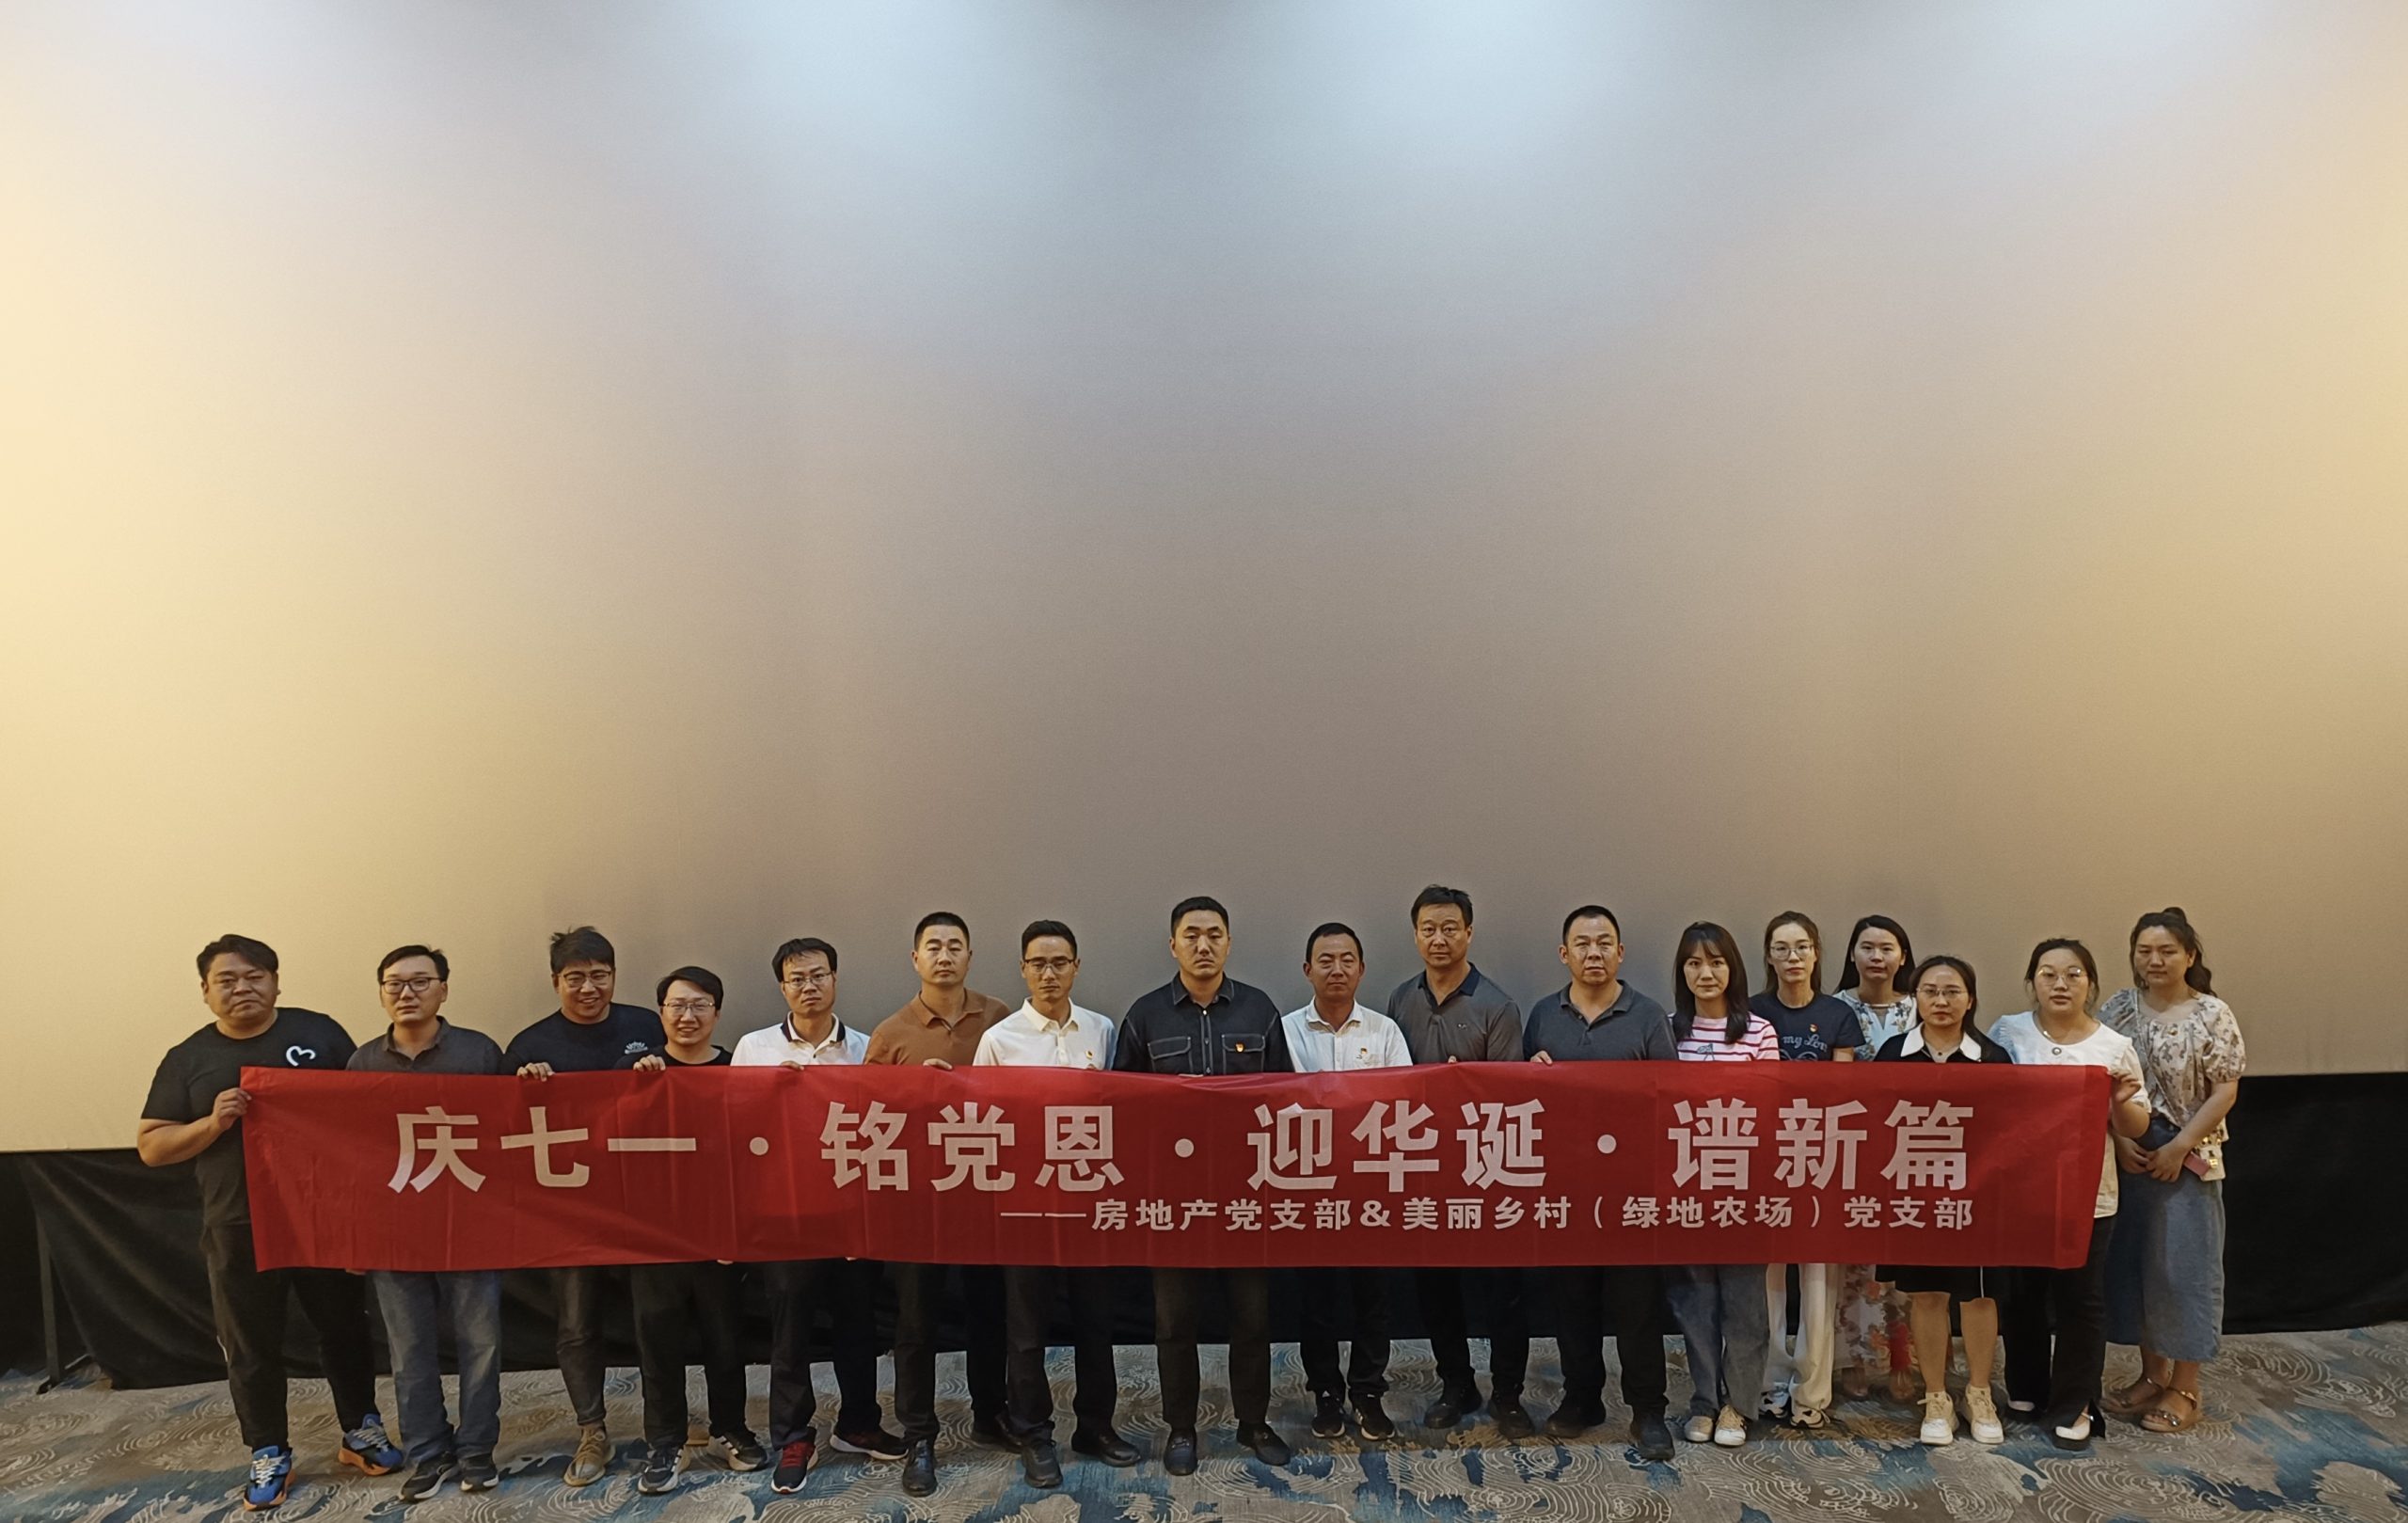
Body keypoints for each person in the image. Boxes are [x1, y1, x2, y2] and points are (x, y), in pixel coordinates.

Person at [138, 934, 404, 1513]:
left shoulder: (319, 1034)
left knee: (345, 1328)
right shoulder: (188, 1058)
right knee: (251, 1342)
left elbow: (365, 1117)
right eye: (227, 980)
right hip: (239, 1223)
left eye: (255, 976)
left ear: (276, 982)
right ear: (205, 991)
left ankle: (360, 1428)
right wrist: (212, 1124)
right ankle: (268, 1449)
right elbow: (152, 1146)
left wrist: (362, 1216)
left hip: (321, 1217)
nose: (243, 988)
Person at [1114, 896, 1296, 1473]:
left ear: (1229, 943)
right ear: (1173, 945)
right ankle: (1181, 1428)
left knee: (1252, 1318)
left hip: (1245, 1194)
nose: (1203, 944)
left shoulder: (1259, 1010)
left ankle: (1253, 1422)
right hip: (1173, 1199)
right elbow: (1121, 1108)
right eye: (1191, 935)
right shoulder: (1145, 1015)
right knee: (1175, 1322)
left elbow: (1286, 1099)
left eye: (1214, 934)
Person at [971, 921, 1143, 1486]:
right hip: (1026, 1205)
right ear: (1023, 970)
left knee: (1096, 1324)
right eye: (1038, 964)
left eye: (1060, 963)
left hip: (1091, 1204)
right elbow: (982, 1123)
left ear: (1076, 967)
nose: (1049, 973)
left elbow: (1121, 1111)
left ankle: (1095, 1426)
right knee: (1026, 1332)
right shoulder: (1001, 1039)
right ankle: (1033, 1433)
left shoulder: (1102, 1029)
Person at [730, 936, 901, 1492]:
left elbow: (883, 1127)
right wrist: (769, 1094)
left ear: (835, 979)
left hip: (849, 1209)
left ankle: (859, 1423)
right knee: (791, 1331)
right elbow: (732, 1128)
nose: (809, 986)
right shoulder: (754, 1048)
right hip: (784, 1214)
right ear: (782, 987)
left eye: (819, 975)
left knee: (858, 1323)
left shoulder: (867, 1047)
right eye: (797, 978)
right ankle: (792, 1436)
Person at [346, 945, 507, 1501]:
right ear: (381, 993)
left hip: (471, 1223)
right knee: (409, 1349)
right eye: (394, 983)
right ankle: (427, 1452)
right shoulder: (361, 1063)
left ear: (443, 989)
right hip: (393, 1229)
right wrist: (355, 1233)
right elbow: (352, 1156)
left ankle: (477, 1451)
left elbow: (509, 1137)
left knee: (481, 1344)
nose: (407, 993)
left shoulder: (479, 1052)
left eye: (420, 981)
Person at [503, 926, 662, 1486]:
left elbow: (687, 1086)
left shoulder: (649, 1026)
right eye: (576, 977)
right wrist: (523, 1088)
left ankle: (665, 1420)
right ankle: (592, 1429)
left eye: (600, 975)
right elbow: (504, 1129)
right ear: (556, 982)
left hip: (642, 1199)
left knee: (656, 1316)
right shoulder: (530, 1045)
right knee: (576, 1324)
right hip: (568, 1206)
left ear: (614, 976)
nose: (589, 987)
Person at [863, 912, 1015, 1497]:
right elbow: (868, 1118)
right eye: (933, 947)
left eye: (955, 946)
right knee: (915, 1322)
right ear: (915, 959)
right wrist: (915, 1094)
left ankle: (991, 1412)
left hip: (985, 1192)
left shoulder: (1000, 1017)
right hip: (918, 1202)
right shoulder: (891, 1033)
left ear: (970, 957)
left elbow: (1022, 1099)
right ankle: (920, 1434)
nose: (944, 955)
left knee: (989, 1311)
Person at [1524, 905, 1678, 1463]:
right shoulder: (1544, 1015)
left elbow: (1671, 1098)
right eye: (1583, 944)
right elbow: (1522, 1102)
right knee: (1573, 1301)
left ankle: (1647, 1410)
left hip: (1632, 1187)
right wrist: (1533, 1075)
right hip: (1566, 1187)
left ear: (1620, 952)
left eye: (1604, 942)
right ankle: (1582, 1398)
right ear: (1565, 954)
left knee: (1638, 1306)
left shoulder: (1648, 1015)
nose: (1595, 953)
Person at [1989, 938, 2153, 1450]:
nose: (2060, 984)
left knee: (2080, 1300)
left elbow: (2136, 1124)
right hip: (2020, 1192)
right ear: (2032, 982)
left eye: (2073, 974)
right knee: (2021, 1295)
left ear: (2091, 984)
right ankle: (2027, 1387)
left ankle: (2075, 1401)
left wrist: (2120, 1102)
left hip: (2087, 1195)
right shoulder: (2008, 1033)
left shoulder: (2113, 1045)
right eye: (2048, 974)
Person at [1382, 884, 1532, 1436]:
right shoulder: (1401, 999)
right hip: (1424, 1169)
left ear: (1469, 933)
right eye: (1428, 929)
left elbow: (1508, 1099)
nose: (1439, 939)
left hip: (1487, 1169)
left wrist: (1459, 1090)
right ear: (1415, 935)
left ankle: (1508, 1394)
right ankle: (1456, 1385)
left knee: (1503, 1291)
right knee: (1436, 1288)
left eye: (1450, 928)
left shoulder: (1497, 1005)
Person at [620, 967, 766, 1494]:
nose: (688, 1016)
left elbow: (757, 1150)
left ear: (717, 1013)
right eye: (677, 1006)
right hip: (654, 1235)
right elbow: (609, 1140)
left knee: (724, 1338)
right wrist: (638, 1087)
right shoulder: (634, 1070)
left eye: (700, 1005)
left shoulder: (734, 1069)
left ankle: (731, 1428)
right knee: (657, 1341)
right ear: (660, 1013)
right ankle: (666, 1440)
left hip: (718, 1232)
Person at [2099, 909, 2245, 1436]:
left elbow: (2225, 1090)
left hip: (2189, 1155)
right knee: (2139, 1266)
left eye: (2166, 951)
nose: (2155, 960)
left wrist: (2179, 1146)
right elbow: (2100, 1081)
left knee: (2185, 1271)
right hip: (2130, 1153)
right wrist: (2119, 1141)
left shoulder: (2212, 1014)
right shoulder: (2118, 1008)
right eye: (2145, 951)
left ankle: (2185, 1387)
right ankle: (2151, 1375)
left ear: (2190, 956)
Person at [1873, 955, 2012, 1447]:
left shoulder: (1992, 1057)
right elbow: (1875, 1124)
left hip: (1977, 1198)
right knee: (1928, 1295)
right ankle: (1936, 1397)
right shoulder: (1894, 1054)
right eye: (1930, 992)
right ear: (1916, 999)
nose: (1941, 1001)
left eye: (1952, 992)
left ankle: (1978, 1393)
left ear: (1970, 999)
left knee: (1978, 1297)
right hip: (1915, 1197)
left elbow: (2008, 1131)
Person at [1280, 922, 1410, 1444]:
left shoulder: (1385, 1032)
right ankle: (1326, 1393)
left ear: (1361, 969)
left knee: (1372, 1297)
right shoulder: (1284, 1031)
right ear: (1307, 969)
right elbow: (1278, 1105)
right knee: (1318, 1299)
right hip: (1308, 1188)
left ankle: (1368, 1391)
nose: (1337, 969)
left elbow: (1404, 1104)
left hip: (1371, 1187)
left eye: (1347, 960)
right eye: (1326, 960)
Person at [1665, 921, 1780, 1448]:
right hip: (1685, 1184)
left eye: (1715, 962)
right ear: (1682, 972)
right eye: (1694, 963)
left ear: (1732, 968)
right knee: (1695, 1301)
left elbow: (1770, 1110)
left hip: (1743, 1185)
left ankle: (1740, 1405)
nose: (1705, 973)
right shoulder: (1668, 1030)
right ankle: (1705, 1401)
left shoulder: (1759, 1032)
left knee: (1745, 1303)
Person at [1748, 912, 1863, 1430]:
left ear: (1816, 953)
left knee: (1819, 1276)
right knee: (1767, 1274)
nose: (1792, 957)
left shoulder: (1838, 1014)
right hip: (1764, 1155)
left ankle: (1812, 1393)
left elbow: (1841, 1089)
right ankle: (1769, 1384)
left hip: (1822, 1153)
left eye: (1802, 947)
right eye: (1781, 948)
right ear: (1769, 957)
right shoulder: (1752, 1012)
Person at [1832, 913, 1919, 1404]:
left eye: (1887, 948)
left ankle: (1904, 1358)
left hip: (1912, 1144)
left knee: (1907, 1255)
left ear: (1902, 956)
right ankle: (1857, 1358)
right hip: (1854, 1147)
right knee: (1856, 1262)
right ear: (1853, 954)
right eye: (1867, 947)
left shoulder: (1921, 1005)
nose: (1877, 957)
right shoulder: (1836, 1008)